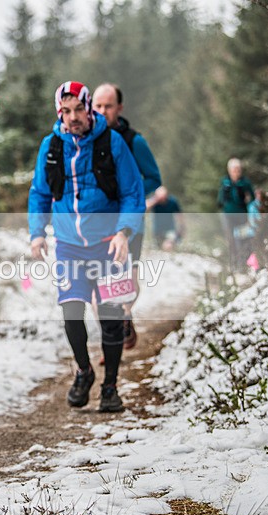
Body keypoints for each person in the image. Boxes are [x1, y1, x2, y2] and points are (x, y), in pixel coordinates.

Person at [28, 81, 144, 412]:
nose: (73, 117)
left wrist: (124, 232)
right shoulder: (51, 145)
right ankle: (84, 370)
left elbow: (133, 193)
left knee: (110, 318)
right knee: (71, 311)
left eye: (79, 109)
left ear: (89, 107)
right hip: (68, 244)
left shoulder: (112, 141)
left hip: (109, 243)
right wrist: (37, 233)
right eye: (66, 111)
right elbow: (39, 193)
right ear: (59, 113)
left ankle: (110, 387)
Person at [92, 83, 162, 350]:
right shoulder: (88, 139)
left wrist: (129, 194)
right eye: (97, 106)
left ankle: (125, 314)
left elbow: (154, 179)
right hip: (97, 224)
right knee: (98, 283)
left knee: (128, 281)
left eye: (107, 106)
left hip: (130, 223)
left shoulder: (135, 141)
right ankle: (110, 338)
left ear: (119, 108)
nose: (102, 111)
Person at [217, 158, 255, 271]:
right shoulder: (224, 182)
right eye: (234, 169)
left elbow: (252, 198)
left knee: (243, 238)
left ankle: (243, 263)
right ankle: (233, 264)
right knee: (231, 239)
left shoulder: (245, 182)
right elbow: (220, 199)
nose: (236, 171)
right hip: (227, 216)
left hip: (242, 215)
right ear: (229, 170)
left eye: (238, 169)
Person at [147, 186, 185, 251]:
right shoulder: (154, 202)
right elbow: (144, 208)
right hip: (157, 229)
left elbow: (179, 214)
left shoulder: (172, 202)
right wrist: (155, 200)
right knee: (158, 247)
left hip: (170, 228)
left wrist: (182, 227)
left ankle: (171, 257)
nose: (162, 200)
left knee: (168, 244)